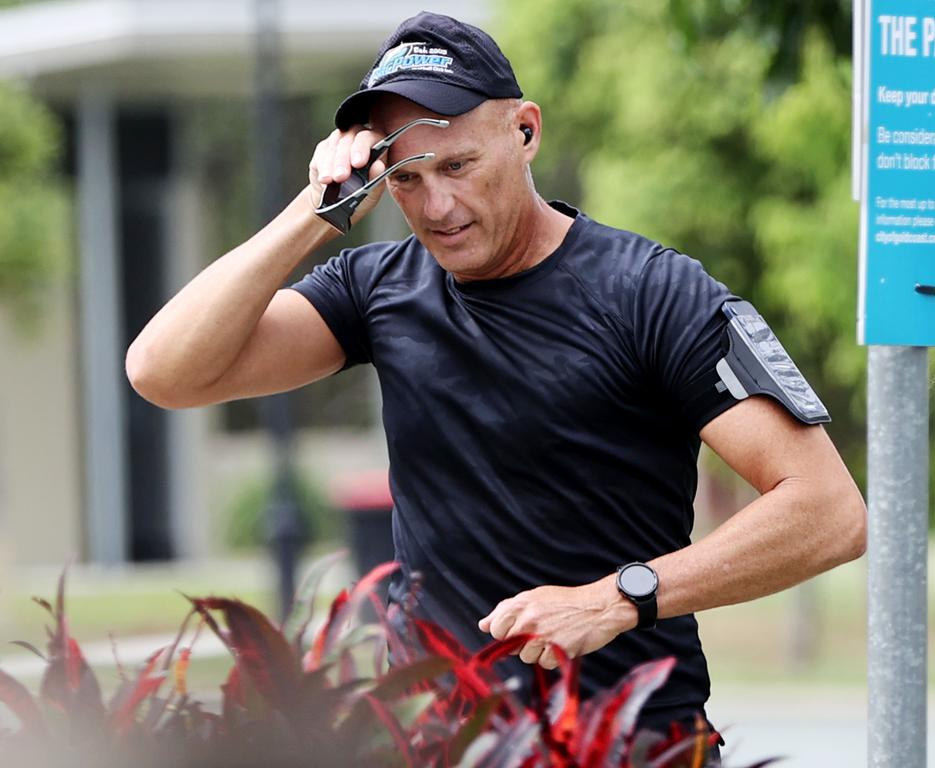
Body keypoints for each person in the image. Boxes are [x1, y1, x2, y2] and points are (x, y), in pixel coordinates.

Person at [126, 11, 866, 742]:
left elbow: (828, 512)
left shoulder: (654, 292)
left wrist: (615, 599)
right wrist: (317, 211)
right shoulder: (376, 288)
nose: (437, 206)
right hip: (442, 742)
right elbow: (165, 372)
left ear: (526, 131)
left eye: (458, 166)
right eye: (406, 179)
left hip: (627, 742)